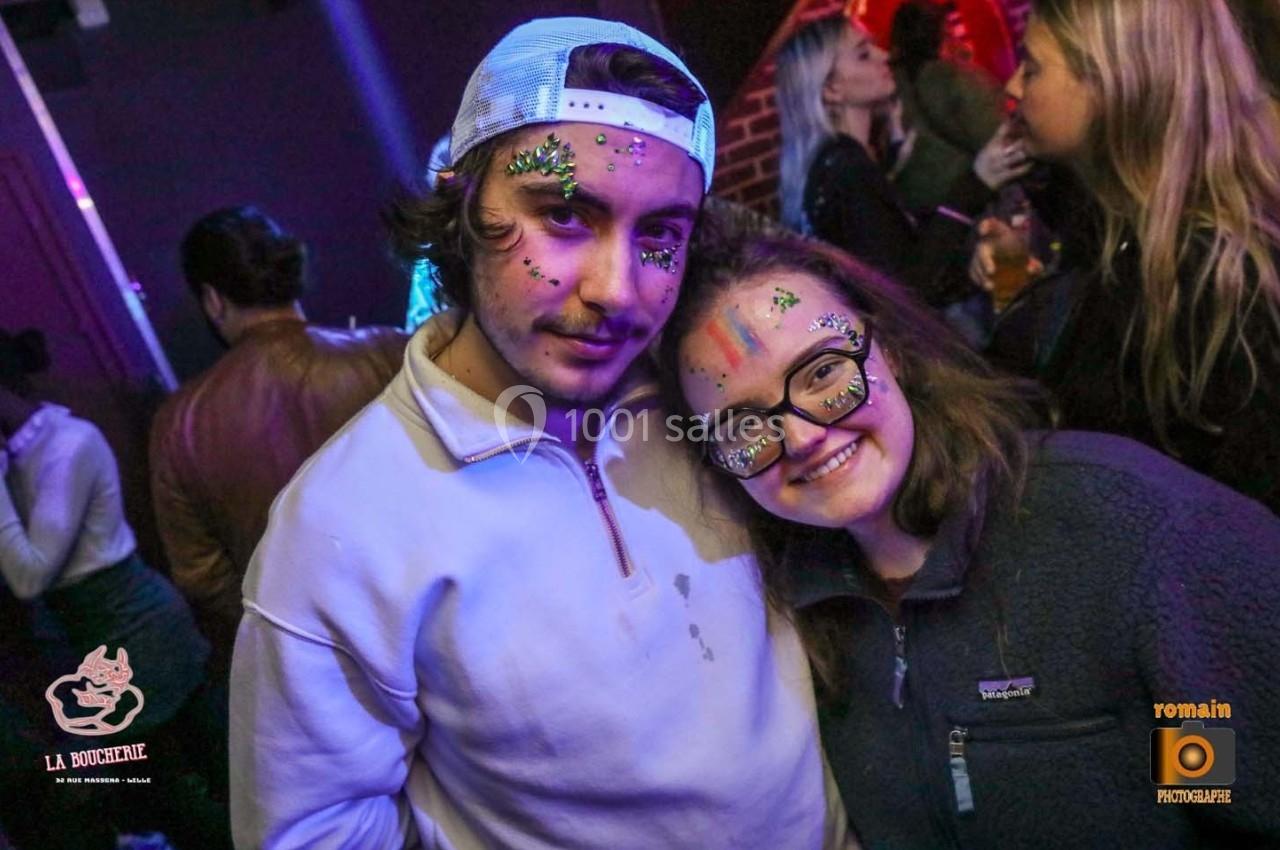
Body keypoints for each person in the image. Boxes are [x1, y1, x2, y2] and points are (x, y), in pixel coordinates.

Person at [229, 18, 852, 850]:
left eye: (659, 235)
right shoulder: (340, 525)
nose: (617, 289)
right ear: (461, 204)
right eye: (563, 215)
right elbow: (311, 833)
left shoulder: (708, 400)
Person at [656, 230, 1280, 849]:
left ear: (889, 350)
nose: (800, 438)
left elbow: (1231, 796)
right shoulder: (793, 624)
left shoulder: (1123, 528)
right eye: (744, 425)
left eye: (823, 371)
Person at [973, 0, 1280, 512]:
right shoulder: (1113, 225)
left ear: (1113, 85)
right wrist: (1021, 290)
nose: (1012, 87)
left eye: (1032, 67)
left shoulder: (1214, 278)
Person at [0, 327, 231, 848]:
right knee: (170, 792)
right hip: (89, 641)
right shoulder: (17, 455)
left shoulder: (66, 445)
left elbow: (28, 575)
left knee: (202, 784)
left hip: (136, 626)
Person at [149, 206, 407, 669]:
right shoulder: (390, 354)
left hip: (319, 665)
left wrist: (298, 635)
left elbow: (202, 578)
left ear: (213, 299)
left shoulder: (178, 424)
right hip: (438, 622)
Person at [776, 13, 1029, 308]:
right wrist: (976, 182)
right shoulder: (846, 170)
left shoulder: (834, 163)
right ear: (832, 89)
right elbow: (906, 292)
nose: (884, 55)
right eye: (863, 54)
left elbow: (896, 261)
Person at [888, 0, 1006, 213]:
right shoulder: (956, 79)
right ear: (942, 33)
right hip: (966, 201)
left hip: (911, 207)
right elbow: (997, 139)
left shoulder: (887, 85)